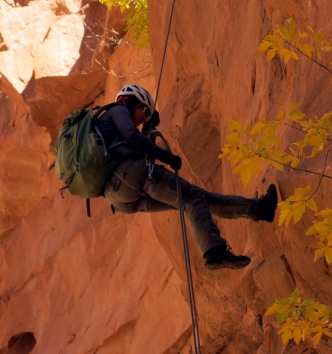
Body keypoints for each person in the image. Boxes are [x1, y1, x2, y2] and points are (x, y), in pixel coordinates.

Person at [98, 84, 278, 270]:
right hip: (129, 176)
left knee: (197, 201)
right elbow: (132, 134)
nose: (142, 119)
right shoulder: (118, 110)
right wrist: (166, 156)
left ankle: (259, 209)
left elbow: (138, 153)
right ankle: (214, 251)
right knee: (192, 198)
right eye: (144, 112)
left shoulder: (108, 132)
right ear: (134, 102)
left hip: (121, 197)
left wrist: (148, 132)